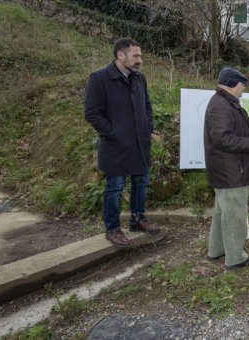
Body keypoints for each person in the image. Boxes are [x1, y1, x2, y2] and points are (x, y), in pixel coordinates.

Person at [84, 38, 159, 248]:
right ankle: (113, 229)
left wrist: (147, 127)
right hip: (115, 145)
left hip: (140, 144)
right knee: (114, 187)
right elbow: (91, 112)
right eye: (135, 55)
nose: (139, 60)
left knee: (140, 183)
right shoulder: (99, 78)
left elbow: (147, 105)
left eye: (140, 55)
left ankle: (137, 220)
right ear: (120, 55)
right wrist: (112, 132)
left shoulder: (139, 78)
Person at [204, 67, 249, 270]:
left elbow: (240, 122)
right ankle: (236, 257)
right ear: (232, 84)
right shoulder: (221, 105)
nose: (244, 87)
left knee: (223, 212)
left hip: (227, 170)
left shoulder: (224, 102)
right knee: (235, 215)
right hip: (232, 171)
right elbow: (222, 138)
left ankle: (217, 249)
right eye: (242, 84)